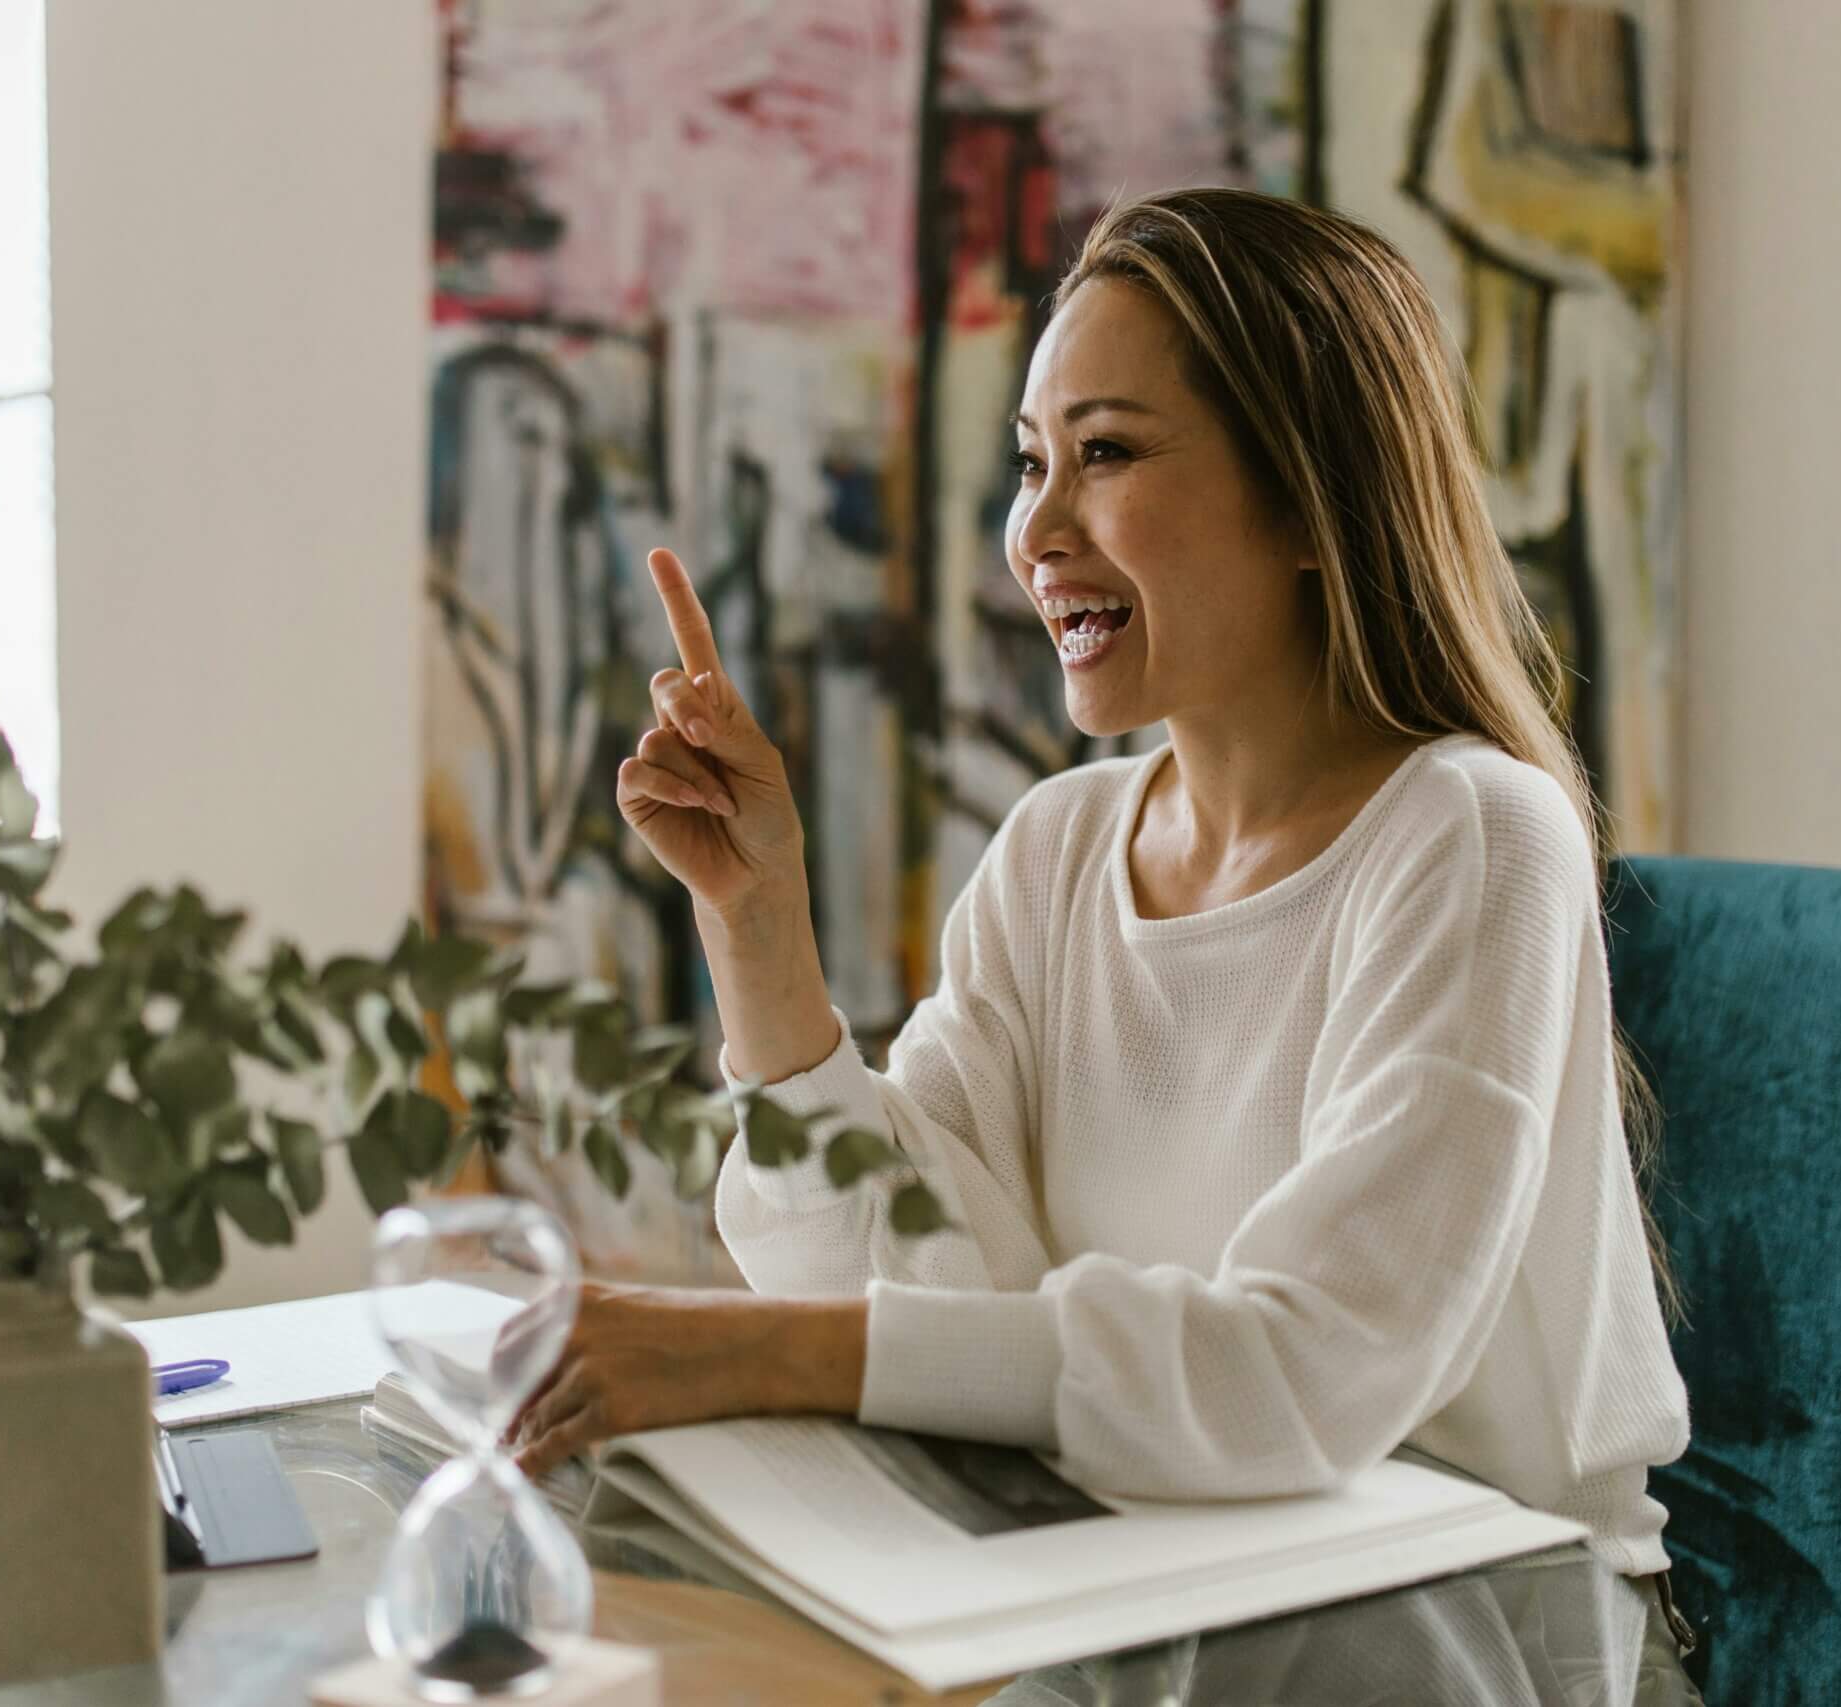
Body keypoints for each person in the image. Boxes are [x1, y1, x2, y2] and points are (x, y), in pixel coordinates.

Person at [504, 186, 1700, 1691]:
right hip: (1162, 1583)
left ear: (1309, 500)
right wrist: (760, 932)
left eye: (1107, 454)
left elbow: (1308, 1375)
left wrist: (755, 1349)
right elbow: (928, 1284)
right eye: (1029, 465)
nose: (1037, 531)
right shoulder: (1059, 850)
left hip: (1482, 1626)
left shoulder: (1471, 834)